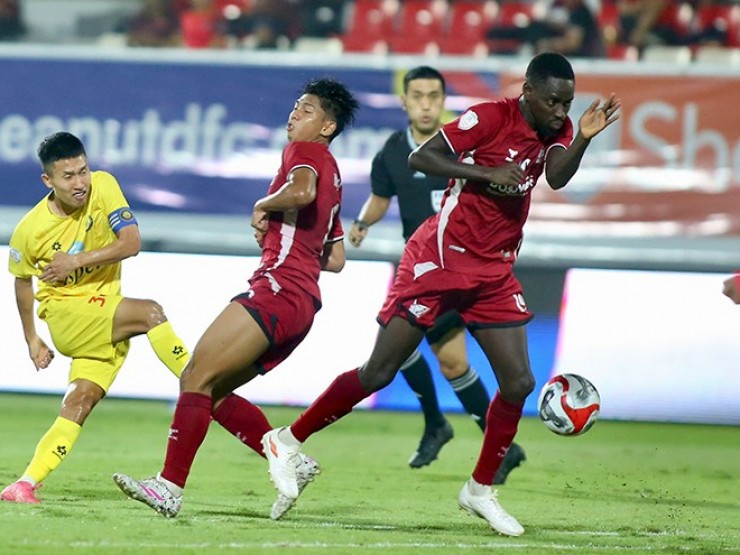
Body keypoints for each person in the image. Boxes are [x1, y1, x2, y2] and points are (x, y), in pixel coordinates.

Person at [262, 52, 620, 535]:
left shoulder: (555, 128)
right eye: (554, 102)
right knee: (380, 371)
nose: (561, 111)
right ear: (528, 92)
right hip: (440, 258)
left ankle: (479, 490)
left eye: (568, 104)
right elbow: (422, 156)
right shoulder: (490, 117)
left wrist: (581, 137)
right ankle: (288, 438)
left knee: (517, 383)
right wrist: (485, 173)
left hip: (493, 270)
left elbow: (556, 176)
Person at [111, 78, 360, 521]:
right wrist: (289, 243)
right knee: (214, 393)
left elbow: (299, 193)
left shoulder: (303, 154)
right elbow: (336, 257)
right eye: (294, 108)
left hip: (277, 290)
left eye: (305, 110)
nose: (293, 115)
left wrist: (264, 205)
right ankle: (289, 458)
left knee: (194, 376)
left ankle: (168, 487)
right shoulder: (335, 174)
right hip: (302, 306)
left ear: (327, 125)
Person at [349, 65, 525, 479]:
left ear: (444, 101)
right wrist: (361, 223)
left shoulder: (465, 144)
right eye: (418, 96)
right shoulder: (393, 152)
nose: (426, 104)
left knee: (408, 350)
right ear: (405, 101)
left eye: (433, 96)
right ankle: (485, 441)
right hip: (425, 270)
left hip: (469, 268)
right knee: (445, 362)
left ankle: (444, 427)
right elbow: (380, 197)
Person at [2, 132, 191, 504]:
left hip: (103, 312)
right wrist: (32, 339)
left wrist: (76, 260)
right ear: (48, 181)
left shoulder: (104, 186)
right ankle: (201, 384)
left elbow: (131, 243)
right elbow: (21, 282)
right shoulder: (29, 229)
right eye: (68, 176)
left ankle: (24, 483)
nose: (80, 183)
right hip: (67, 314)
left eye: (83, 171)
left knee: (80, 401)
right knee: (150, 313)